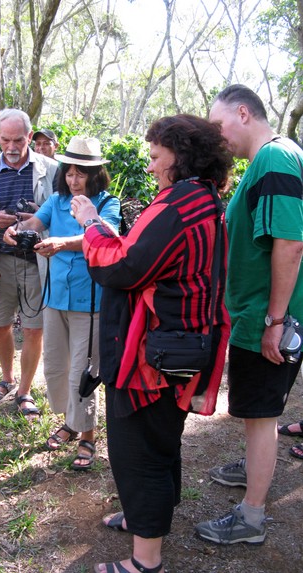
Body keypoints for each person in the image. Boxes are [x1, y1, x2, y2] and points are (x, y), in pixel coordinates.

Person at [70, 115, 232, 573]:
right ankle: (147, 520)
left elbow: (122, 267)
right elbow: (151, 259)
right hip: (180, 346)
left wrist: (92, 223)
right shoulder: (203, 200)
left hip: (152, 355)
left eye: (157, 157)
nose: (151, 165)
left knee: (138, 451)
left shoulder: (179, 206)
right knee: (160, 443)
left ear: (180, 156)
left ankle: (146, 559)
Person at [195, 84, 303, 545]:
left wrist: (275, 322)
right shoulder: (269, 160)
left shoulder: (275, 159)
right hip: (256, 314)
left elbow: (290, 241)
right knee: (255, 413)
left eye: (219, 126)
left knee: (261, 416)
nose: (219, 140)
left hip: (267, 317)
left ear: (243, 113)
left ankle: (251, 518)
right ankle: (253, 467)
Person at [4, 136, 121, 469]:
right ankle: (71, 423)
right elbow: (34, 223)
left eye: (80, 174)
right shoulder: (56, 201)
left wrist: (62, 243)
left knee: (83, 372)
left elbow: (101, 236)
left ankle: (88, 436)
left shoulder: (106, 203)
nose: (74, 180)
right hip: (55, 298)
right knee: (56, 365)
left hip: (90, 300)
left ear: (95, 174)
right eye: (69, 173)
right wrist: (17, 230)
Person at [0, 109, 58, 418]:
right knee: (0, 323)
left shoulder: (52, 169)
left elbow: (64, 213)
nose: (11, 146)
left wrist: (38, 215)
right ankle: (6, 379)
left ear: (29, 137)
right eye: (5, 139)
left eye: (18, 139)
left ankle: (25, 390)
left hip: (36, 262)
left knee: (34, 328)